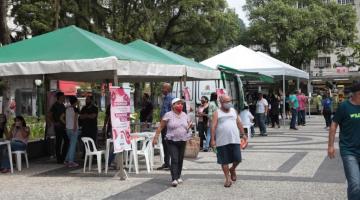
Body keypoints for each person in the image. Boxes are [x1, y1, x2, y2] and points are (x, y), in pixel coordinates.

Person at [328, 82, 360, 200]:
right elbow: (334, 125)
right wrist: (330, 146)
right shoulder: (344, 107)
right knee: (355, 184)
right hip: (349, 151)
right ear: (358, 94)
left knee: (355, 184)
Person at [152, 98, 192, 187]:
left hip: (182, 140)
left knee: (180, 159)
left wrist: (189, 127)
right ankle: (174, 178)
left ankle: (178, 176)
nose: (180, 105)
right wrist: (155, 137)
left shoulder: (185, 115)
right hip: (171, 140)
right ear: (173, 105)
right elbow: (161, 126)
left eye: (181, 104)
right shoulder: (168, 115)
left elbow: (188, 126)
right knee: (174, 158)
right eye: (178, 104)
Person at [211, 95, 247, 188]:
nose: (229, 103)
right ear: (221, 102)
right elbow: (213, 126)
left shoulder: (233, 111)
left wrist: (243, 134)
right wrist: (212, 140)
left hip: (234, 139)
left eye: (230, 101)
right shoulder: (217, 113)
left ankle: (232, 169)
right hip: (222, 140)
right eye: (227, 101)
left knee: (238, 159)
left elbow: (239, 123)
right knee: (224, 160)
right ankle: (227, 178)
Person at [157, 83, 174, 170]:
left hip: (167, 125)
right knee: (164, 143)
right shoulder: (165, 98)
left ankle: (171, 163)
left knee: (168, 144)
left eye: (163, 88)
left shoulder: (171, 98)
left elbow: (171, 112)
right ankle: (166, 162)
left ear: (168, 89)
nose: (162, 90)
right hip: (164, 124)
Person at [48, 92, 68, 164]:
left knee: (66, 140)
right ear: (59, 97)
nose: (64, 98)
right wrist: (54, 122)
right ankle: (59, 158)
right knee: (59, 142)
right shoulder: (55, 105)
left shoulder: (63, 105)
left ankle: (62, 157)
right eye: (63, 97)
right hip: (58, 126)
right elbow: (49, 114)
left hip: (63, 126)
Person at [64, 96, 80, 167]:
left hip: (67, 129)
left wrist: (67, 124)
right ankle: (70, 161)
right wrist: (74, 127)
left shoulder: (67, 109)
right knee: (73, 145)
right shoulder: (75, 109)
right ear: (75, 102)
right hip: (74, 129)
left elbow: (62, 117)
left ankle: (67, 160)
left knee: (71, 145)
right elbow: (75, 118)